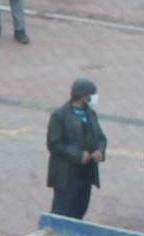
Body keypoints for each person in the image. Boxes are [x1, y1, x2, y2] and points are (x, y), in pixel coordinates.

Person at [44, 77, 107, 220]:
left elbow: (101, 138)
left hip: (85, 174)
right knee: (62, 211)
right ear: (84, 97)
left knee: (80, 210)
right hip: (66, 175)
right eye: (91, 95)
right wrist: (78, 155)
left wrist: (100, 151)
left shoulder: (90, 114)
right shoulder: (59, 115)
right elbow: (54, 143)